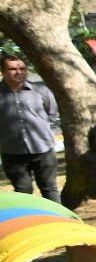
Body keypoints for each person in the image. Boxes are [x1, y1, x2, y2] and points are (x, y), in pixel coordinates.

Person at [0, 56, 60, 205]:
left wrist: (43, 132)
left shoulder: (40, 91)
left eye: (22, 68)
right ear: (2, 71)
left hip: (43, 149)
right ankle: (31, 224)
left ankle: (60, 222)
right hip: (12, 152)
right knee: (23, 191)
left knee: (50, 189)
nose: (19, 72)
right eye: (13, 69)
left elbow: (51, 114)